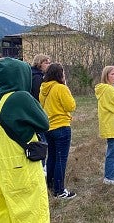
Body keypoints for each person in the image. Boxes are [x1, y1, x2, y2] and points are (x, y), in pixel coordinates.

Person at [0, 57, 50, 222]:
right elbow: (44, 123)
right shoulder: (20, 97)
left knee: (2, 213)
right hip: (21, 167)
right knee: (30, 213)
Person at [39, 63, 77, 199]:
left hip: (48, 127)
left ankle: (50, 184)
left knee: (52, 158)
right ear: (60, 74)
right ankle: (59, 190)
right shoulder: (61, 88)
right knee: (61, 159)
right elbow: (71, 106)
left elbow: (41, 104)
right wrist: (66, 86)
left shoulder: (44, 88)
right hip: (61, 126)